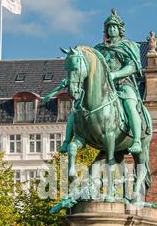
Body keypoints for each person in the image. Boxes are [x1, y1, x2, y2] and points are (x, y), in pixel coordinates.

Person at [59, 8, 149, 155]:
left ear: (120, 30)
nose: (112, 29)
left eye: (114, 27)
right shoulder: (98, 49)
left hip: (123, 84)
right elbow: (87, 68)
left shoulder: (129, 46)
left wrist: (115, 75)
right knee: (77, 108)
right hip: (102, 88)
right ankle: (67, 141)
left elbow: (132, 66)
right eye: (109, 27)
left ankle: (137, 140)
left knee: (130, 105)